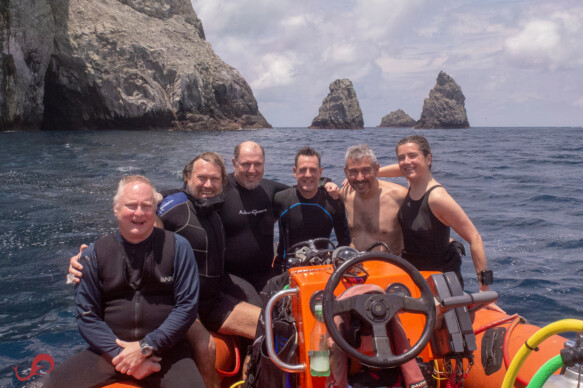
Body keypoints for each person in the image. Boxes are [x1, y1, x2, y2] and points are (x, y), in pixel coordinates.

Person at [39, 175, 202, 388]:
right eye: (131, 205)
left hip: (167, 352)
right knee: (50, 384)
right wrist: (123, 355)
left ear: (155, 210)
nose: (139, 212)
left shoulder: (179, 248)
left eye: (147, 205)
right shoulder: (93, 255)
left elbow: (186, 307)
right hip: (109, 353)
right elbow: (86, 315)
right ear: (116, 209)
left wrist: (146, 346)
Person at [157, 152, 262, 388]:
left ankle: (252, 379)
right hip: (183, 307)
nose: (208, 185)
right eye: (201, 178)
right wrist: (90, 254)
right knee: (208, 349)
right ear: (187, 177)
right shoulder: (174, 208)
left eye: (214, 179)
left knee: (269, 325)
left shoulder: (211, 209)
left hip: (212, 302)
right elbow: (137, 225)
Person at [394, 135, 493, 291]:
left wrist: (485, 289)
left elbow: (475, 238)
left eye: (412, 155)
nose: (406, 161)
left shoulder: (437, 197)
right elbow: (403, 167)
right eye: (401, 157)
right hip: (416, 275)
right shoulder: (413, 183)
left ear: (428, 159)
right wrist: (372, 173)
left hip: (441, 282)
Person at [219, 141, 288, 292]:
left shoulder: (270, 188)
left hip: (265, 273)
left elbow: (302, 191)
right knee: (262, 312)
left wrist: (326, 185)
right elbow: (189, 194)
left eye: (258, 164)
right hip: (230, 277)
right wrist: (159, 196)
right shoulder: (220, 188)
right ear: (234, 163)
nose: (252, 170)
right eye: (246, 164)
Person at [273, 146, 351, 271]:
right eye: (302, 170)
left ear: (320, 172)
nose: (308, 175)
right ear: (295, 171)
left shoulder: (333, 203)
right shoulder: (281, 199)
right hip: (284, 270)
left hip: (320, 271)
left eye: (313, 170)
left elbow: (344, 242)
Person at [339, 144, 407, 254]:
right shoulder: (344, 194)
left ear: (376, 169)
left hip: (391, 267)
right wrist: (328, 184)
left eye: (366, 170)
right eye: (353, 171)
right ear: (346, 172)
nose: (360, 178)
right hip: (356, 265)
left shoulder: (399, 196)